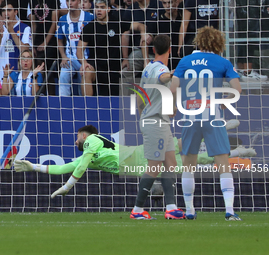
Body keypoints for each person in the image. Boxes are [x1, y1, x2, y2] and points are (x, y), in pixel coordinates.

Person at [14, 124, 182, 219]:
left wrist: (67, 186)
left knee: (178, 148)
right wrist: (33, 166)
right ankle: (151, 210)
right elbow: (63, 168)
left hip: (135, 154)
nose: (75, 141)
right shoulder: (89, 156)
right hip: (133, 165)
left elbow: (80, 168)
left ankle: (202, 133)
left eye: (77, 136)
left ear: (84, 135)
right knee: (181, 158)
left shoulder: (92, 140)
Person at [170, 26, 242, 221]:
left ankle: (190, 210)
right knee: (223, 164)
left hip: (190, 115)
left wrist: (176, 106)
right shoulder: (222, 62)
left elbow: (172, 86)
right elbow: (237, 88)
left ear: (198, 41)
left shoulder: (185, 61)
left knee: (188, 165)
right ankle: (229, 210)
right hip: (212, 115)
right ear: (218, 43)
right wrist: (225, 100)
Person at [128, 35, 184, 220]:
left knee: (171, 164)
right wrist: (176, 72)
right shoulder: (161, 69)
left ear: (153, 50)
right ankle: (137, 210)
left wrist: (145, 111)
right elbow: (163, 78)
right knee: (154, 166)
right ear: (170, 49)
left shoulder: (147, 68)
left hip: (159, 121)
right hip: (155, 123)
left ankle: (171, 208)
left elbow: (140, 94)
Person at [77, 0, 126, 96]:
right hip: (96, 64)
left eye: (102, 7)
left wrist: (144, 32)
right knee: (86, 72)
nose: (99, 10)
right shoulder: (89, 28)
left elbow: (137, 26)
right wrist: (84, 63)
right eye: (97, 7)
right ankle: (88, 106)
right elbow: (79, 50)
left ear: (108, 9)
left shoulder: (117, 23)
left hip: (115, 65)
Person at [56, 0, 94, 96]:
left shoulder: (90, 17)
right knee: (63, 77)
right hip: (70, 58)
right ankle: (63, 105)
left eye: (73, 0)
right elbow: (59, 40)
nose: (70, 3)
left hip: (87, 59)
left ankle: (84, 105)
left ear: (79, 1)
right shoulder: (62, 19)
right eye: (68, 1)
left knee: (85, 79)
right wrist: (63, 56)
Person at [0, 0, 32, 81]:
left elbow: (24, 50)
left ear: (16, 12)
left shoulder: (25, 28)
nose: (6, 13)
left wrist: (11, 31)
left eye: (9, 10)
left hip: (18, 75)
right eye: (3, 11)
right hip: (1, 75)